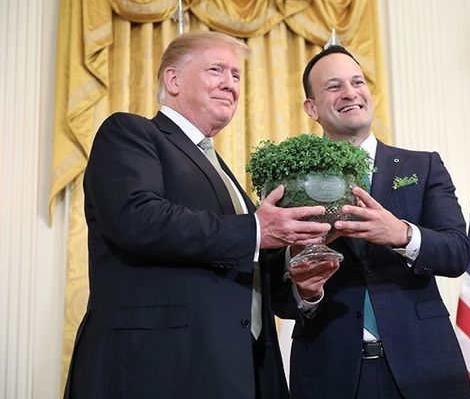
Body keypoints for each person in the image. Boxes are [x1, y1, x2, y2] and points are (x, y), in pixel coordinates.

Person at [64, 31, 331, 399]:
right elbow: (137, 218)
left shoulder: (227, 174)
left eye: (236, 75)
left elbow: (244, 270)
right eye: (216, 70)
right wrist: (255, 229)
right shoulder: (130, 133)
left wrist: (301, 284)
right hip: (158, 370)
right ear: (172, 80)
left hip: (243, 371)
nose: (230, 84)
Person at [272, 45, 470, 399]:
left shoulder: (422, 167)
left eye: (357, 82)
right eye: (334, 87)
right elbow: (278, 297)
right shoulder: (288, 180)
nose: (350, 93)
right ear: (312, 108)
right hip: (330, 374)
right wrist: (305, 289)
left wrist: (401, 234)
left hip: (426, 368)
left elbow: (457, 253)